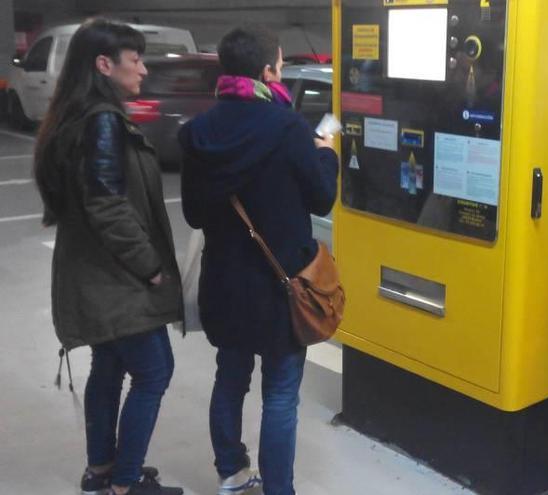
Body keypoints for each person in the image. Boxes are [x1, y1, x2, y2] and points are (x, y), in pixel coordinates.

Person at [178, 26, 338, 495]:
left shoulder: (197, 133)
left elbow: (192, 213)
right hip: (280, 288)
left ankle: (231, 471)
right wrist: (325, 155)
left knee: (230, 378)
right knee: (281, 395)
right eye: (282, 65)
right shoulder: (287, 128)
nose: (283, 73)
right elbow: (322, 198)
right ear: (268, 71)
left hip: (224, 285)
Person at [32, 19, 184, 495]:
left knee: (110, 367)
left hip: (93, 272)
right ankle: (124, 483)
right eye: (134, 59)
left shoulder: (77, 115)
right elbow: (106, 204)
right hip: (116, 276)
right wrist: (151, 267)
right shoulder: (101, 120)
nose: (142, 68)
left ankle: (101, 471)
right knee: (155, 370)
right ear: (104, 64)